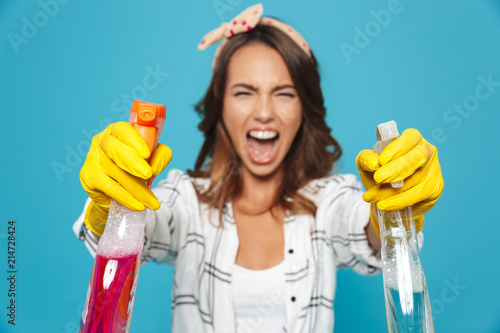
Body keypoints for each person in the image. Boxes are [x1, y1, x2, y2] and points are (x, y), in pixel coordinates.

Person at [74, 4, 444, 332]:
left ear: (305, 110)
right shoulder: (184, 201)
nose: (264, 112)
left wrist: (391, 207)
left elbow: (366, 230)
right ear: (219, 108)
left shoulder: (329, 201)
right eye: (244, 92)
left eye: (284, 93)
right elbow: (126, 233)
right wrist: (111, 201)